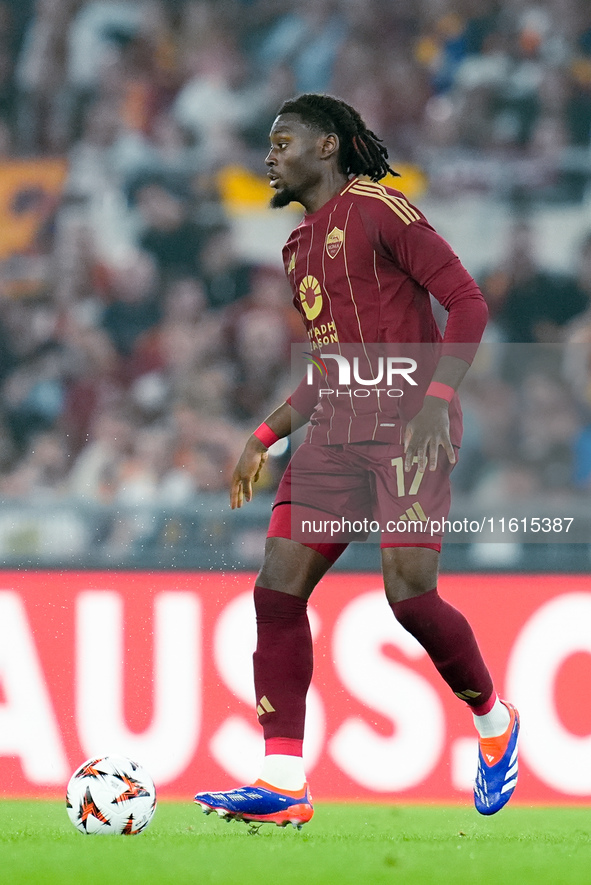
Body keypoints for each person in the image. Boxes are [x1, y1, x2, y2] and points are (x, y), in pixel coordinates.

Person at [195, 93, 519, 828]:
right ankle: (283, 776)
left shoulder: (381, 209)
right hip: (338, 429)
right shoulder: (296, 247)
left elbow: (466, 302)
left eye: (283, 141)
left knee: (408, 595)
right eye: (267, 143)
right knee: (277, 588)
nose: (269, 153)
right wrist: (265, 433)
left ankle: (495, 723)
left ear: (329, 145)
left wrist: (437, 397)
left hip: (408, 419)